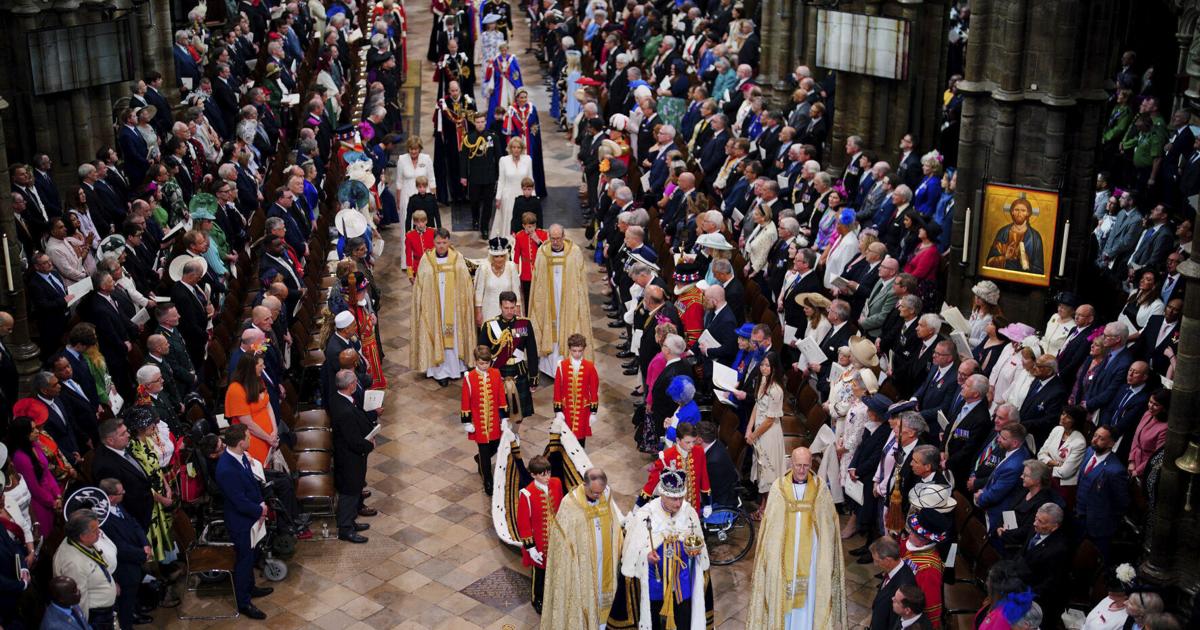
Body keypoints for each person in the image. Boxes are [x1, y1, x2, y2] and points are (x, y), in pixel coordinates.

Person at [747, 446, 847, 628]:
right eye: (798, 465)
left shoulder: (820, 488)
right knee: (784, 590)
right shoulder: (778, 487)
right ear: (790, 464)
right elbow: (771, 525)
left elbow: (828, 524)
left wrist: (824, 551)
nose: (801, 470)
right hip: (785, 553)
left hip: (812, 555)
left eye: (806, 465)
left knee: (809, 590)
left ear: (811, 465)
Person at [618, 468, 713, 630]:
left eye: (681, 498)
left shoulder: (689, 513)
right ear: (662, 495)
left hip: (682, 583)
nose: (678, 503)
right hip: (655, 584)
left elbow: (698, 545)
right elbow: (632, 555)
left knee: (683, 621)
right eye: (673, 498)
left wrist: (695, 552)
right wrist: (647, 556)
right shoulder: (645, 515)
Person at [540, 467, 624, 630]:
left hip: (605, 562)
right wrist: (571, 563)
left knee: (604, 597)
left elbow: (614, 525)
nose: (598, 496)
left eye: (600, 492)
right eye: (594, 493)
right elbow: (561, 541)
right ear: (585, 484)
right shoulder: (570, 504)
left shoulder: (605, 496)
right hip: (582, 566)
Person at [213, 424, 273, 620]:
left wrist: (261, 502)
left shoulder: (240, 456)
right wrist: (259, 510)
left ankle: (250, 587)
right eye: (248, 437)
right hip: (240, 522)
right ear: (240, 443)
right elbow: (238, 500)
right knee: (244, 561)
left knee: (252, 555)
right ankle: (244, 601)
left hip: (252, 515)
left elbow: (251, 484)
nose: (250, 439)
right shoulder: (226, 469)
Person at [411, 229, 475, 386]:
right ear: (433, 242)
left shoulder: (457, 258)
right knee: (436, 333)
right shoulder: (427, 259)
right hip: (434, 306)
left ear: (449, 242)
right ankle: (439, 372)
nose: (441, 246)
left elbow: (466, 283)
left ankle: (456, 368)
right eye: (438, 243)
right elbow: (420, 284)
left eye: (444, 243)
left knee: (454, 334)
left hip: (453, 307)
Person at [529, 224, 595, 376]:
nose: (556, 242)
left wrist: (579, 299)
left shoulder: (574, 252)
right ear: (548, 237)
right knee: (550, 329)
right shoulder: (542, 252)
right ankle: (549, 368)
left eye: (558, 238)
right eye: (553, 238)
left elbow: (580, 279)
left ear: (564, 236)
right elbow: (537, 280)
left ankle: (569, 364)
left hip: (569, 301)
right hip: (548, 302)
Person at [97, 478, 153, 628]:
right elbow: (119, 547)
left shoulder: (117, 505)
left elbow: (133, 523)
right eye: (121, 492)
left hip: (136, 557)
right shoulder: (104, 519)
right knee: (125, 606)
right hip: (124, 568)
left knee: (133, 597)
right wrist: (143, 554)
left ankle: (136, 610)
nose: (124, 493)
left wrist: (145, 543)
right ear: (110, 497)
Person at [329, 369, 375, 544]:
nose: (357, 383)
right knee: (350, 491)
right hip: (349, 458)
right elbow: (353, 440)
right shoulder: (345, 411)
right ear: (350, 385)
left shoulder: (338, 398)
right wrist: (369, 445)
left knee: (355, 488)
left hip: (347, 455)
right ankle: (345, 528)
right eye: (355, 381)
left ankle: (351, 521)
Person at [478, 290, 538, 421]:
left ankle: (514, 432)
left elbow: (532, 352)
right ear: (500, 306)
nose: (510, 311)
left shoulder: (524, 324)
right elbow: (482, 353)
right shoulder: (489, 326)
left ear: (516, 306)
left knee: (519, 413)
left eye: (512, 307)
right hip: (498, 371)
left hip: (519, 371)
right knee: (498, 411)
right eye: (506, 308)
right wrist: (482, 375)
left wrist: (533, 377)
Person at [53, 510, 117, 628]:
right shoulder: (73, 564)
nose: (99, 532)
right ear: (82, 536)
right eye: (95, 530)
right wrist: (84, 626)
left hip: (103, 613)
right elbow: (79, 603)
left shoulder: (80, 542)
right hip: (95, 618)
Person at [516, 455, 563, 615]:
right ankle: (537, 598)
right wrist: (531, 548)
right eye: (543, 475)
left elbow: (561, 507)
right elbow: (523, 524)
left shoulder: (556, 483)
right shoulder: (527, 494)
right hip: (539, 542)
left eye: (548, 473)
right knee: (539, 573)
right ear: (533, 475)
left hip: (556, 537)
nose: (547, 477)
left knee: (555, 567)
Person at [638, 423, 712, 517]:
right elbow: (652, 482)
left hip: (693, 506)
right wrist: (639, 504)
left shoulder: (699, 451)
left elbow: (704, 477)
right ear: (678, 440)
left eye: (694, 441)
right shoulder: (667, 455)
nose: (692, 446)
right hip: (673, 509)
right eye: (688, 442)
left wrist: (707, 503)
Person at [746, 351, 786, 521]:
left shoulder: (776, 390)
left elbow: (770, 420)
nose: (763, 368)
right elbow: (757, 405)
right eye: (762, 364)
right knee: (762, 471)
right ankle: (763, 507)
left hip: (769, 434)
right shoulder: (763, 381)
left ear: (774, 367)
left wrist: (753, 435)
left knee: (768, 472)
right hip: (759, 431)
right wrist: (749, 428)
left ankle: (767, 511)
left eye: (767, 365)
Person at [462, 346, 507, 494]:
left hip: (494, 420)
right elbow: (465, 400)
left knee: (496, 444)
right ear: (476, 361)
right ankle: (488, 480)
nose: (484, 366)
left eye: (487, 363)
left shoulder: (496, 373)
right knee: (484, 450)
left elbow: (501, 396)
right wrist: (467, 422)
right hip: (479, 422)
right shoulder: (469, 377)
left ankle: (480, 458)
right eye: (481, 363)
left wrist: (504, 418)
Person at [393, 137, 435, 265]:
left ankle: (428, 258)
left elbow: (432, 179)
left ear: (420, 149)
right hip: (406, 196)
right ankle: (407, 261)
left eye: (416, 149)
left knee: (425, 226)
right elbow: (399, 181)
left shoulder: (426, 159)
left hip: (424, 196)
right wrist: (398, 199)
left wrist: (433, 199)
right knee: (407, 228)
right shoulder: (402, 160)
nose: (413, 152)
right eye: (411, 149)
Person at [460, 112, 502, 236]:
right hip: (474, 175)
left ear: (485, 122)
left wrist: (500, 176)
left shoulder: (493, 137)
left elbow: (499, 157)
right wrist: (463, 176)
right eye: (477, 122)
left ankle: (484, 227)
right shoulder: (469, 138)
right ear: (474, 123)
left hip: (489, 175)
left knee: (488, 203)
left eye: (482, 122)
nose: (480, 124)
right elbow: (463, 158)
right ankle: (475, 219)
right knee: (474, 201)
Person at [553, 333, 599, 445]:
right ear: (569, 349)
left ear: (584, 350)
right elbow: (557, 389)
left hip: (583, 409)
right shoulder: (562, 366)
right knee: (565, 438)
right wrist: (558, 410)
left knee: (580, 439)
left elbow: (594, 389)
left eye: (580, 351)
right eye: (574, 351)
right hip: (566, 408)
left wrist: (593, 412)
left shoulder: (590, 366)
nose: (577, 354)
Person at [502, 88, 548, 197]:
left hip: (530, 142)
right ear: (517, 98)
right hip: (518, 144)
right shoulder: (511, 110)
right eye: (521, 97)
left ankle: (534, 191)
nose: (524, 99)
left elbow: (535, 125)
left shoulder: (532, 109)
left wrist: (532, 138)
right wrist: (517, 139)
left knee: (532, 165)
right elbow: (508, 130)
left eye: (525, 97)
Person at [984, 197, 1045, 275]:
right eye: (1016, 210)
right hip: (1003, 276)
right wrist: (1005, 257)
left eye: (1023, 210)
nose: (1019, 214)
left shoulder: (1035, 238)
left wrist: (1027, 265)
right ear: (1012, 212)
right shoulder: (1003, 232)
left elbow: (1040, 271)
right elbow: (989, 263)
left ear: (1028, 213)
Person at [867, 536, 915, 630]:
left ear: (888, 560)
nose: (875, 565)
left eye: (877, 561)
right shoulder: (892, 569)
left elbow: (895, 621)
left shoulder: (904, 586)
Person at [492, 137, 534, 238]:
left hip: (523, 195)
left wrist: (533, 196)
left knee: (523, 219)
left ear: (522, 149)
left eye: (518, 147)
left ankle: (522, 240)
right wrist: (498, 198)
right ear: (510, 148)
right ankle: (508, 240)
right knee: (509, 219)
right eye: (514, 147)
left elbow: (530, 179)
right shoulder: (503, 160)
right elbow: (501, 180)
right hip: (508, 196)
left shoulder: (528, 159)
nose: (516, 150)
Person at [474, 239, 523, 325]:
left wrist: (517, 309)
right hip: (488, 312)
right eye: (496, 256)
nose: (499, 259)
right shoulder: (484, 268)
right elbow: (479, 293)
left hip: (508, 311)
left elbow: (516, 290)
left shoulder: (511, 267)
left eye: (502, 256)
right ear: (491, 257)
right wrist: (478, 313)